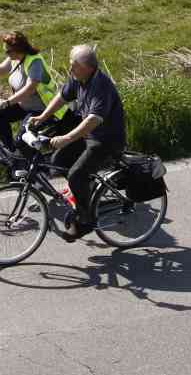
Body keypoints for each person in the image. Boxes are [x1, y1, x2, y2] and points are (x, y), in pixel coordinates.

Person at [28, 44, 125, 240]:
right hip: (89, 135)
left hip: (106, 140)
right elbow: (62, 97)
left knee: (76, 175)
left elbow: (93, 120)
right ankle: (85, 190)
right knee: (58, 161)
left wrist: (66, 138)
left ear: (88, 67)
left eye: (74, 65)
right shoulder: (78, 78)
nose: (70, 68)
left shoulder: (101, 86)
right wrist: (42, 117)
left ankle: (85, 220)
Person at [0, 31, 67, 156]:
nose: (6, 53)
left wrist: (7, 102)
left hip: (42, 108)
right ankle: (12, 152)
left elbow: (29, 89)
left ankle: (26, 164)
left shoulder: (34, 62)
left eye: (8, 51)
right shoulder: (15, 58)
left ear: (18, 49)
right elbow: (0, 70)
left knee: (23, 138)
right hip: (24, 105)